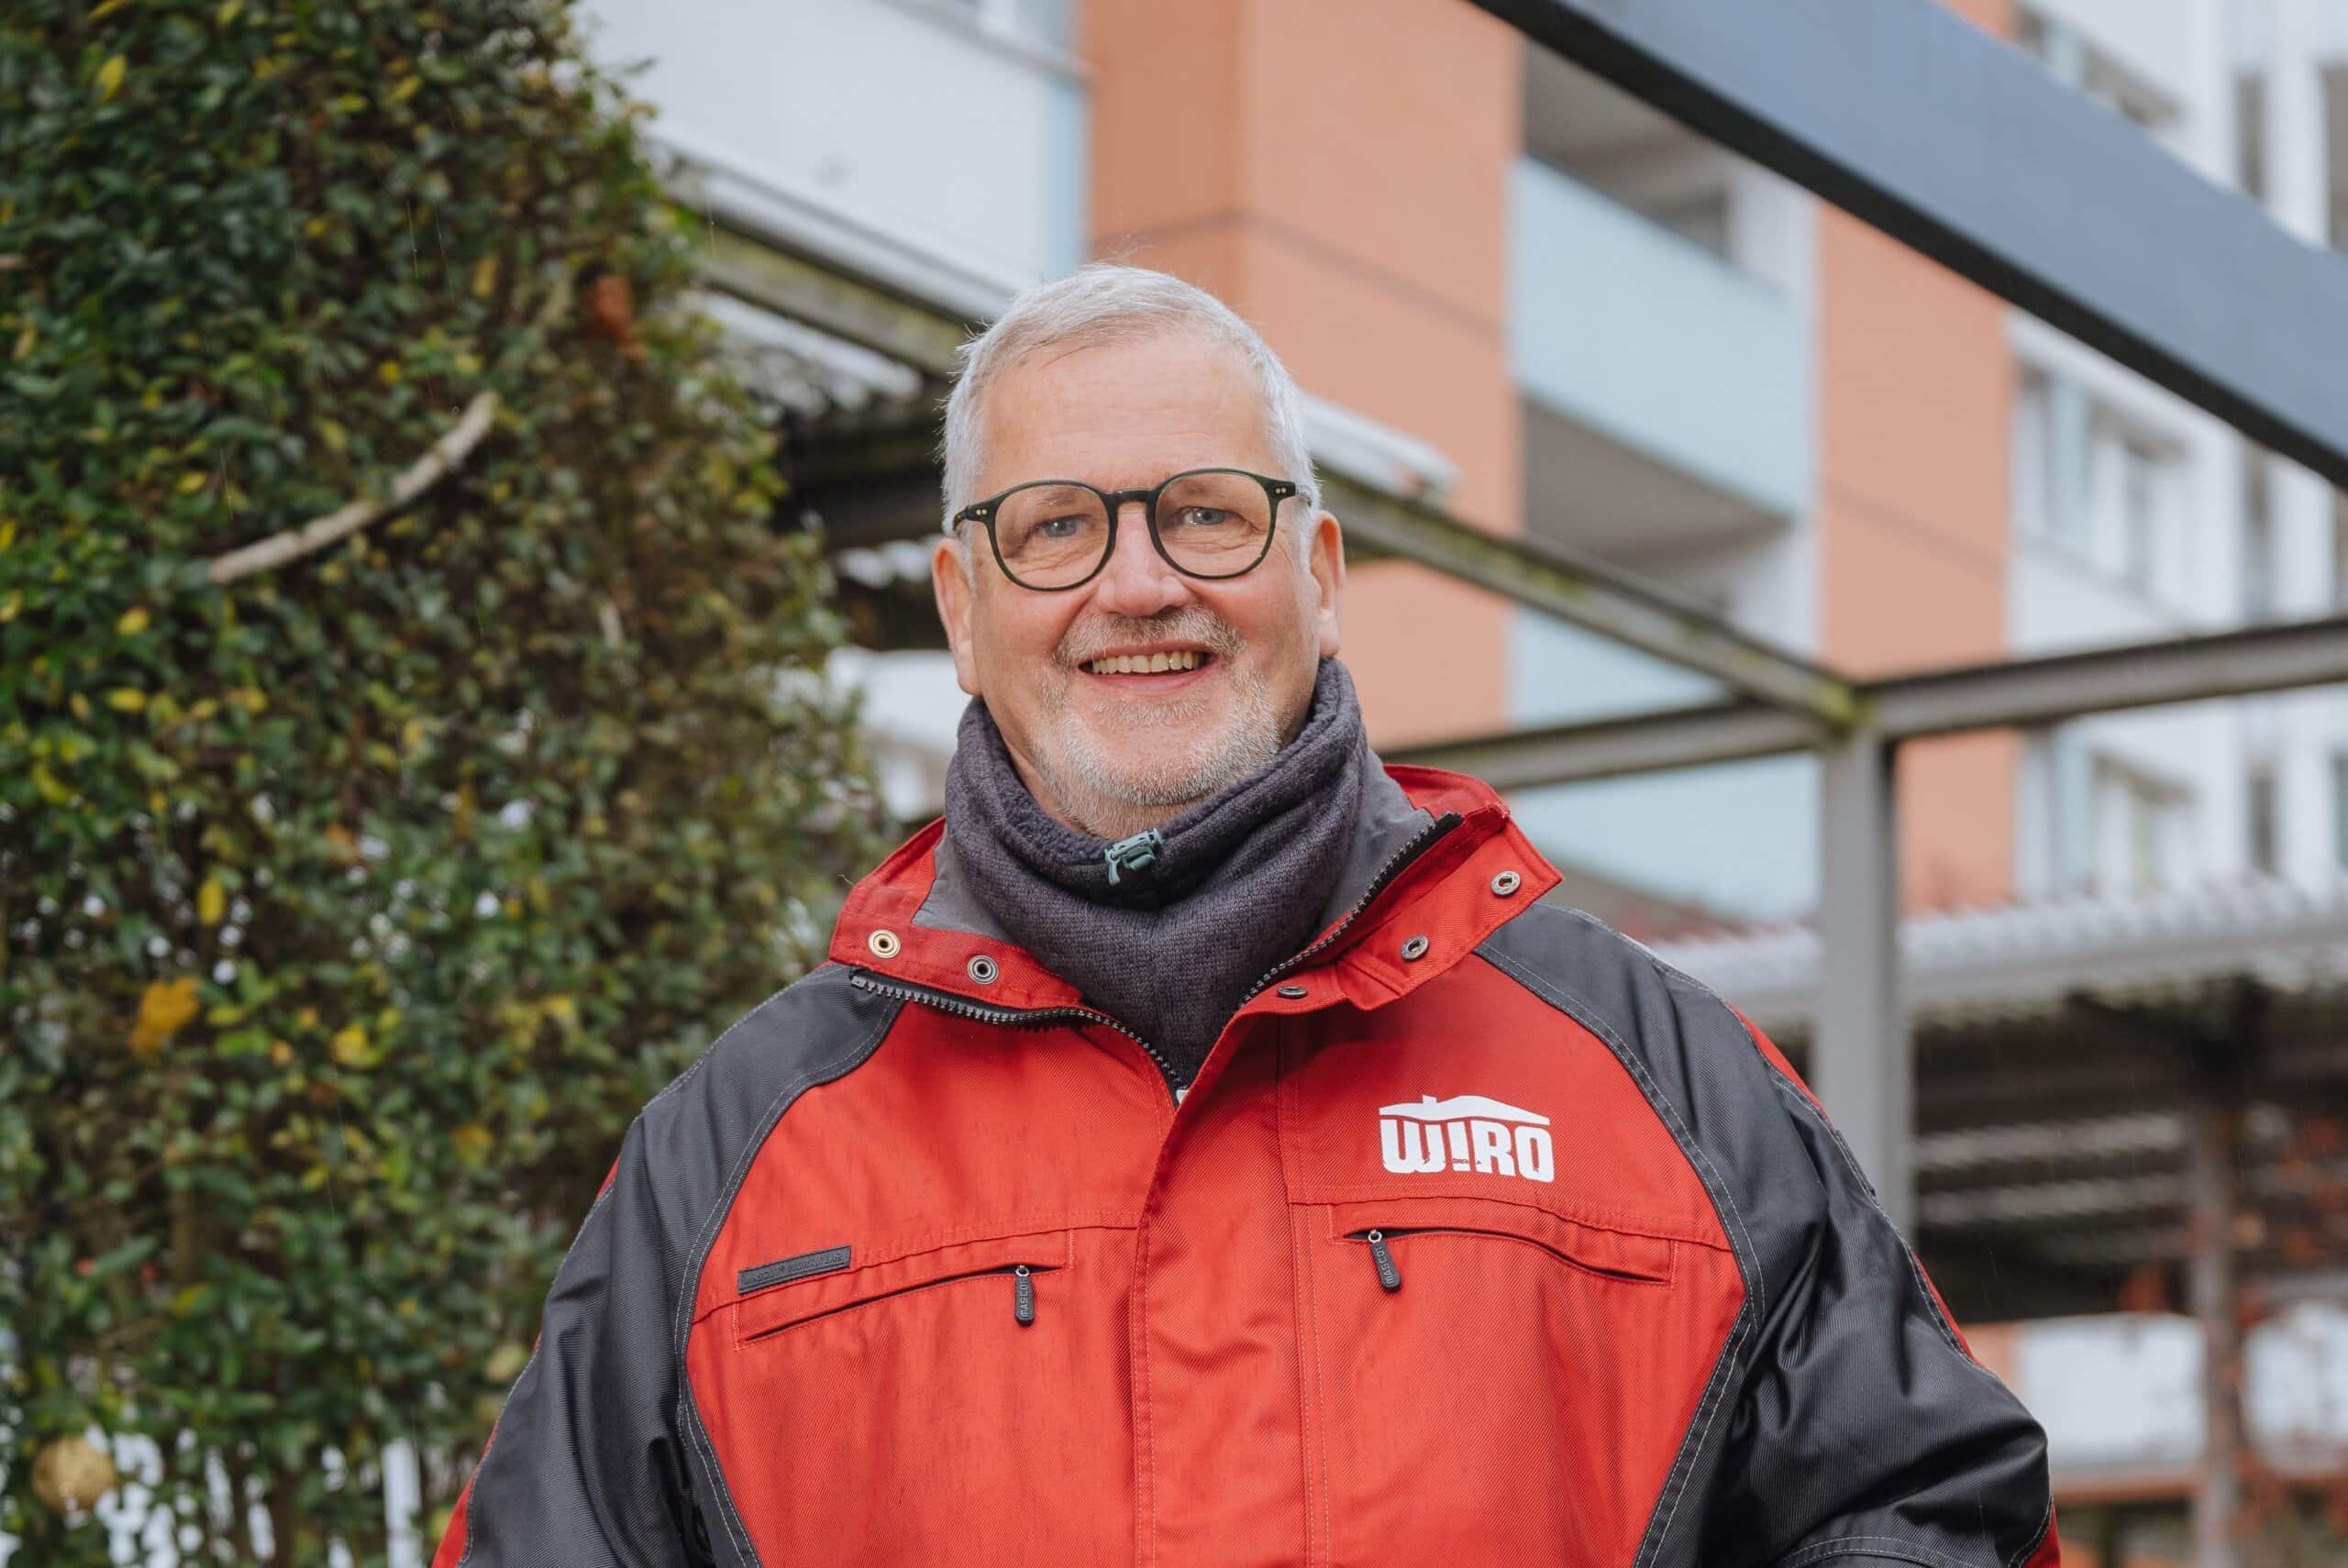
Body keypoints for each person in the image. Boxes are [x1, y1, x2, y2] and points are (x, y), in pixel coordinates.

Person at [432, 264, 2058, 1567]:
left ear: (1322, 569)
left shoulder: (1661, 1085)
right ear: (962, 607)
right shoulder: (733, 1156)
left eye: (1206, 512)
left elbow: (1929, 1506)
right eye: (1058, 524)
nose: (1139, 583)